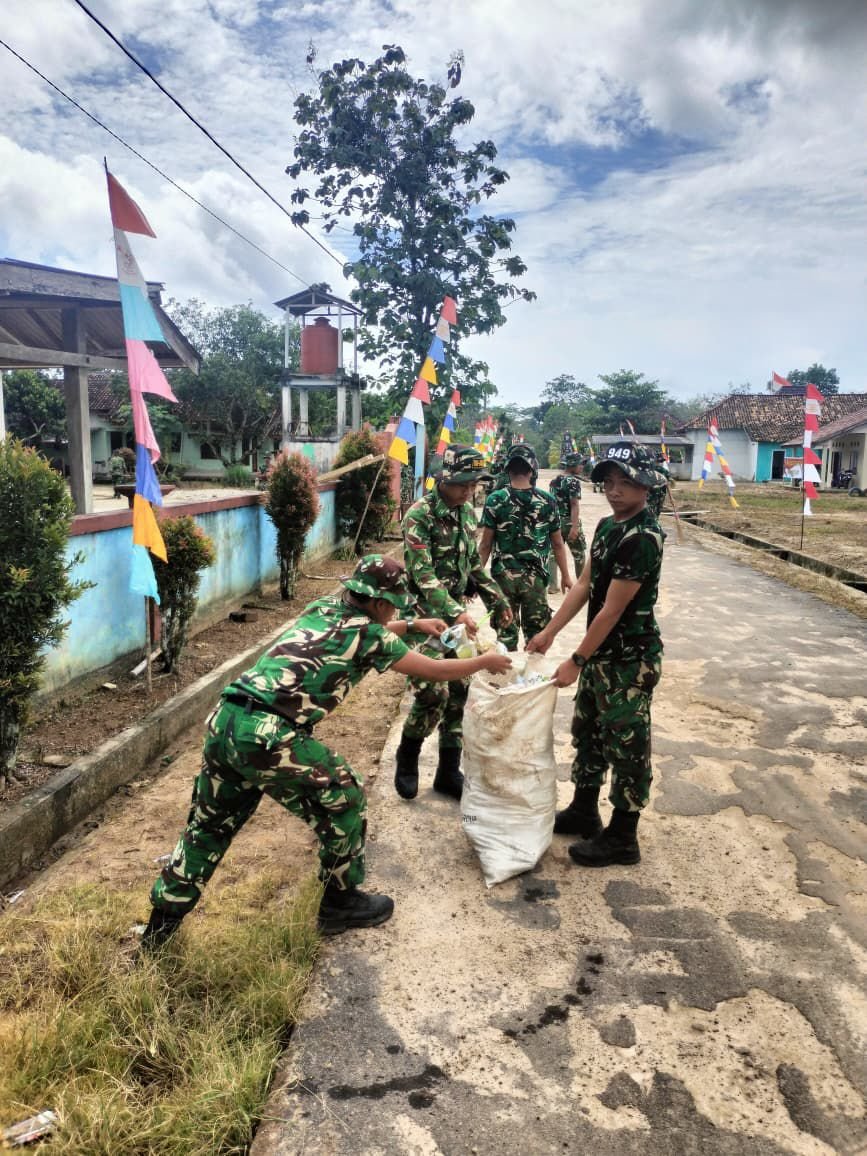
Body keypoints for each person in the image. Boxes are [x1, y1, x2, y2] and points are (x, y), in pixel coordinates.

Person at [140, 554, 512, 950]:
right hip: (270, 734)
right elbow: (432, 670)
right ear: (380, 603)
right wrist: (482, 660)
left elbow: (367, 631)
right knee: (347, 797)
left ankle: (158, 933)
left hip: (226, 719)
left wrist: (415, 626)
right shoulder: (373, 636)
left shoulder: (323, 607)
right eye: (392, 606)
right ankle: (340, 902)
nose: (393, 613)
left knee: (209, 828)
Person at [527, 441, 666, 868]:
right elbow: (586, 586)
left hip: (628, 659)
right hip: (603, 656)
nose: (614, 489)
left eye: (626, 482)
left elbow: (612, 609)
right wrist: (549, 632)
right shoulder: (608, 526)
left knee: (626, 742)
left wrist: (577, 659)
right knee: (588, 732)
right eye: (609, 481)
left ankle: (624, 834)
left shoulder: (643, 536)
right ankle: (585, 809)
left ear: (645, 486)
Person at [395, 446, 513, 801]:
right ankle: (408, 756)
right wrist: (453, 610)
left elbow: (474, 567)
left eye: (473, 485)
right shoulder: (420, 516)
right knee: (433, 690)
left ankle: (448, 770)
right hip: (421, 616)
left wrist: (496, 596)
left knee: (460, 691)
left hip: (456, 620)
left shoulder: (466, 514)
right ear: (444, 478)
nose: (468, 491)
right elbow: (423, 573)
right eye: (463, 484)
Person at [478, 443, 572, 651]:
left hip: (504, 578)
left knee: (506, 636)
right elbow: (557, 543)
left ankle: (505, 679)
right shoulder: (547, 500)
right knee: (536, 638)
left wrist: (474, 577)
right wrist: (565, 575)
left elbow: (485, 545)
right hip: (536, 579)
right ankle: (532, 681)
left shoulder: (496, 499)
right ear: (532, 469)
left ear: (508, 470)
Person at [548, 450, 587, 594]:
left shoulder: (554, 481)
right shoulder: (573, 481)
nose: (582, 467)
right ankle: (581, 585)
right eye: (580, 464)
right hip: (569, 521)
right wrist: (575, 526)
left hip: (555, 522)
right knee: (579, 554)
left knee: (553, 555)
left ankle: (553, 586)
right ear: (572, 466)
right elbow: (574, 504)